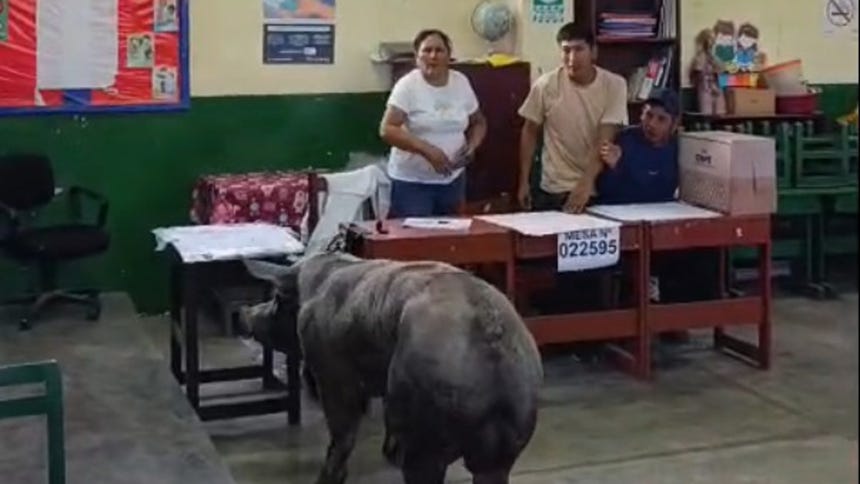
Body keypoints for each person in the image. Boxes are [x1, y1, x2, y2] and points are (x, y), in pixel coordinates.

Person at [517, 21, 628, 213]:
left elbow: (605, 138)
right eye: (566, 50)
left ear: (593, 52)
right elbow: (529, 130)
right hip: (553, 187)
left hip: (596, 184)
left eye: (579, 50)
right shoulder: (545, 85)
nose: (571, 58)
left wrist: (586, 183)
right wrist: (524, 181)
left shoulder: (614, 85)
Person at [379, 29, 487, 218]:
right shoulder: (408, 86)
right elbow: (387, 129)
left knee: (450, 240)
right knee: (416, 241)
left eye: (439, 50)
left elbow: (479, 122)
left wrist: (472, 147)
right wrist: (427, 150)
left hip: (453, 180)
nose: (433, 56)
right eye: (426, 51)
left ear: (449, 56)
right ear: (417, 57)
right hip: (412, 183)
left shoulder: (460, 82)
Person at [595, 88, 680, 205]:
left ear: (674, 124)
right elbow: (605, 192)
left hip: (661, 213)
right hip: (623, 211)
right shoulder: (624, 139)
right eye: (649, 115)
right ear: (641, 115)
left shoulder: (679, 148)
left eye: (661, 119)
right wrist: (614, 168)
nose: (652, 124)